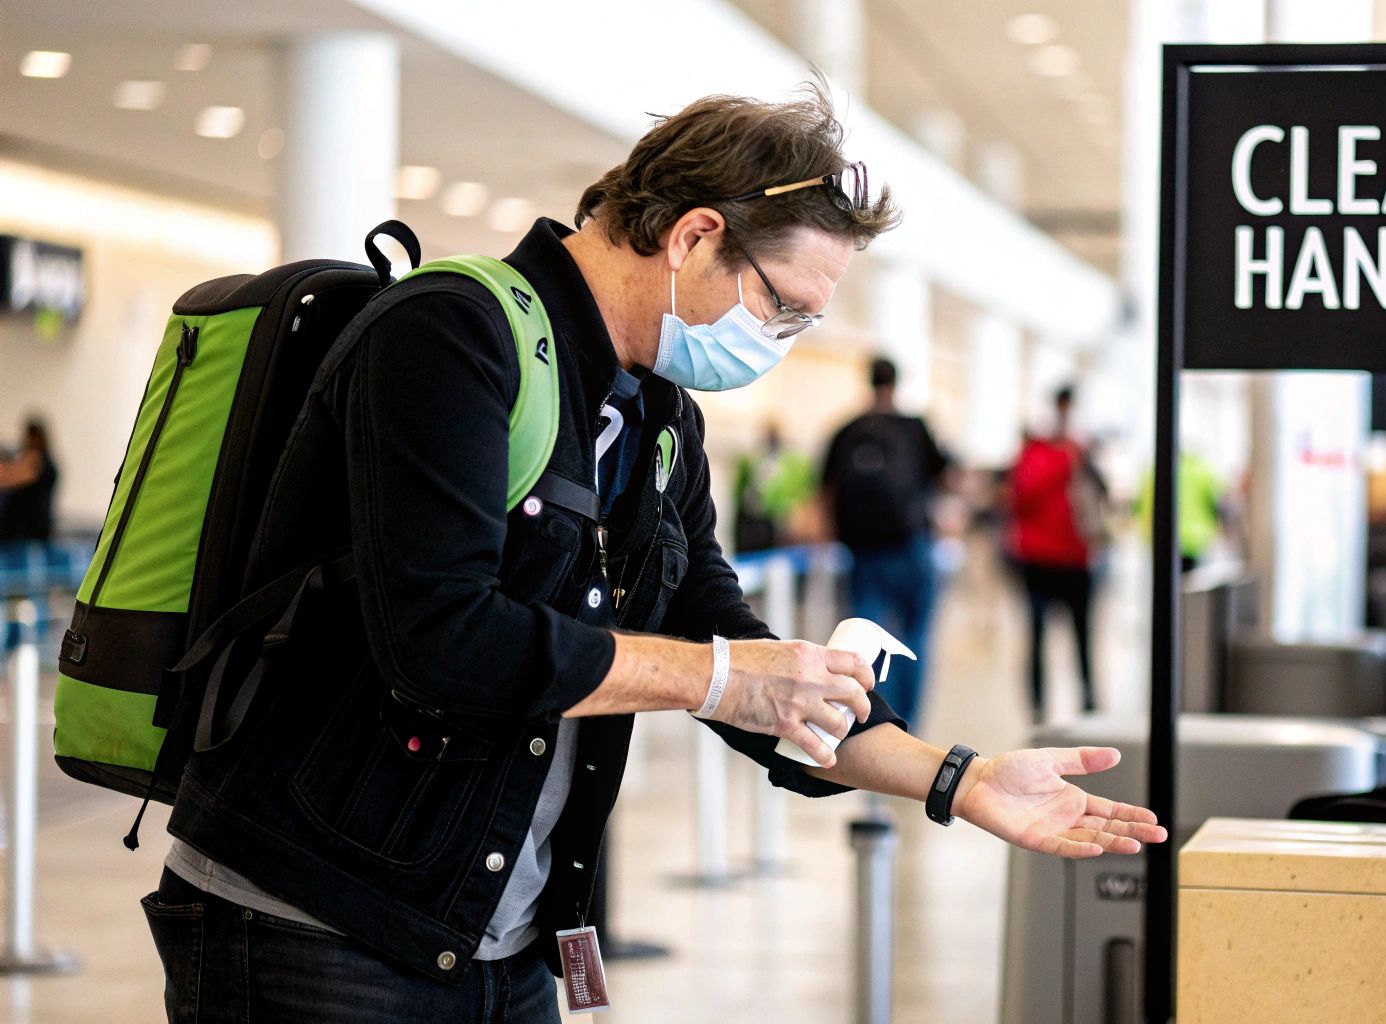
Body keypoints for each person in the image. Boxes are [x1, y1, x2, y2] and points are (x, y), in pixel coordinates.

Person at [147, 83, 1164, 1023]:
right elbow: (441, 639)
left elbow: (731, 644)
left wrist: (959, 775)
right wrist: (715, 679)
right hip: (315, 923)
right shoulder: (450, 336)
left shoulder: (659, 417)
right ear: (692, 236)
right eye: (784, 307)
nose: (787, 337)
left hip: (495, 942)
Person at [820, 356, 950, 728]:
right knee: (915, 640)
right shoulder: (914, 427)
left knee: (865, 644)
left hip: (863, 553)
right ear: (896, 383)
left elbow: (825, 492)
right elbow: (943, 479)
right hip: (912, 547)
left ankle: (873, 720)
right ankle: (909, 726)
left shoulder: (846, 431)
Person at [1006, 386, 1107, 718]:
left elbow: (1099, 496)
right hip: (1039, 560)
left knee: (1083, 635)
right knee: (1036, 636)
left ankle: (1090, 702)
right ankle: (1037, 710)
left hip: (1076, 559)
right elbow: (1021, 497)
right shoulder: (1037, 453)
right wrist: (1064, 461)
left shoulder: (1082, 451)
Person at [732, 422, 816, 554]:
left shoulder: (795, 463)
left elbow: (805, 494)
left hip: (780, 521)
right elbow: (739, 493)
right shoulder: (750, 459)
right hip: (753, 519)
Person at [0, 417, 59, 542]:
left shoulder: (37, 458)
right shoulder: (35, 457)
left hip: (29, 532)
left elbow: (11, 478)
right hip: (24, 531)